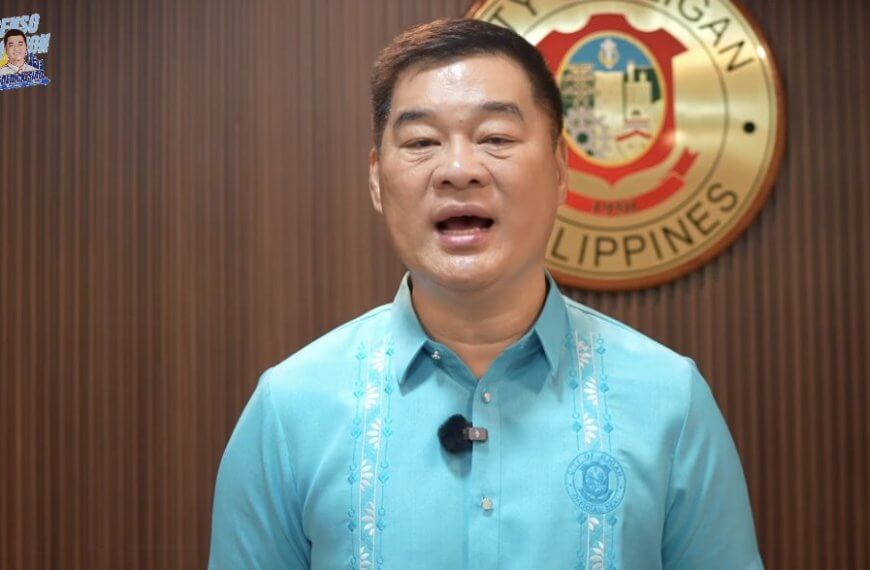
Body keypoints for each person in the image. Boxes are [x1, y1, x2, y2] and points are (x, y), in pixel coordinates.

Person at [209, 18, 763, 569]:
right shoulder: (289, 409)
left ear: (560, 169)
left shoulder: (670, 400)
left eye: (495, 138)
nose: (457, 170)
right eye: (422, 142)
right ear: (377, 179)